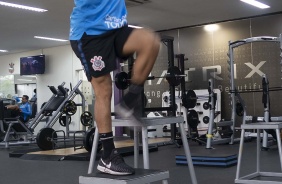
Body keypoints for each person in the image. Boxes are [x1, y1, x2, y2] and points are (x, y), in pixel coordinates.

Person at [70, 0, 160, 176]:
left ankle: (130, 100)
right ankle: (108, 156)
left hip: (116, 29)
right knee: (104, 90)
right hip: (90, 34)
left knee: (150, 41)